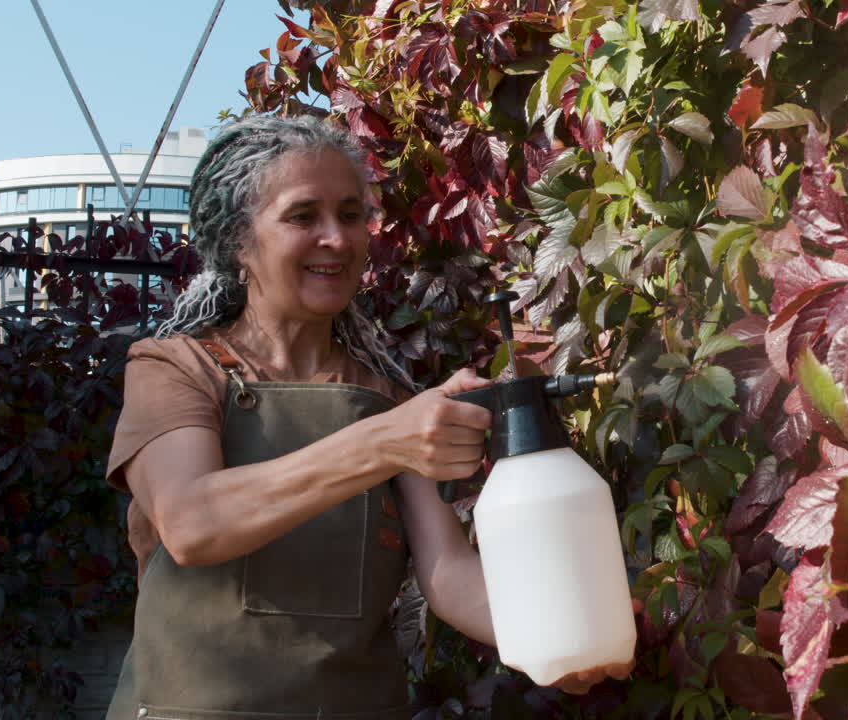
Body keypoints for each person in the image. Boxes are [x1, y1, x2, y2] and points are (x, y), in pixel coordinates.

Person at [105, 115, 629, 720]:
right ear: (238, 244)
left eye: (350, 215)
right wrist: (384, 443)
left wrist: (560, 631)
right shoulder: (173, 367)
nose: (337, 238)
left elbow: (451, 574)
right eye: (304, 217)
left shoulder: (388, 399)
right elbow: (193, 523)